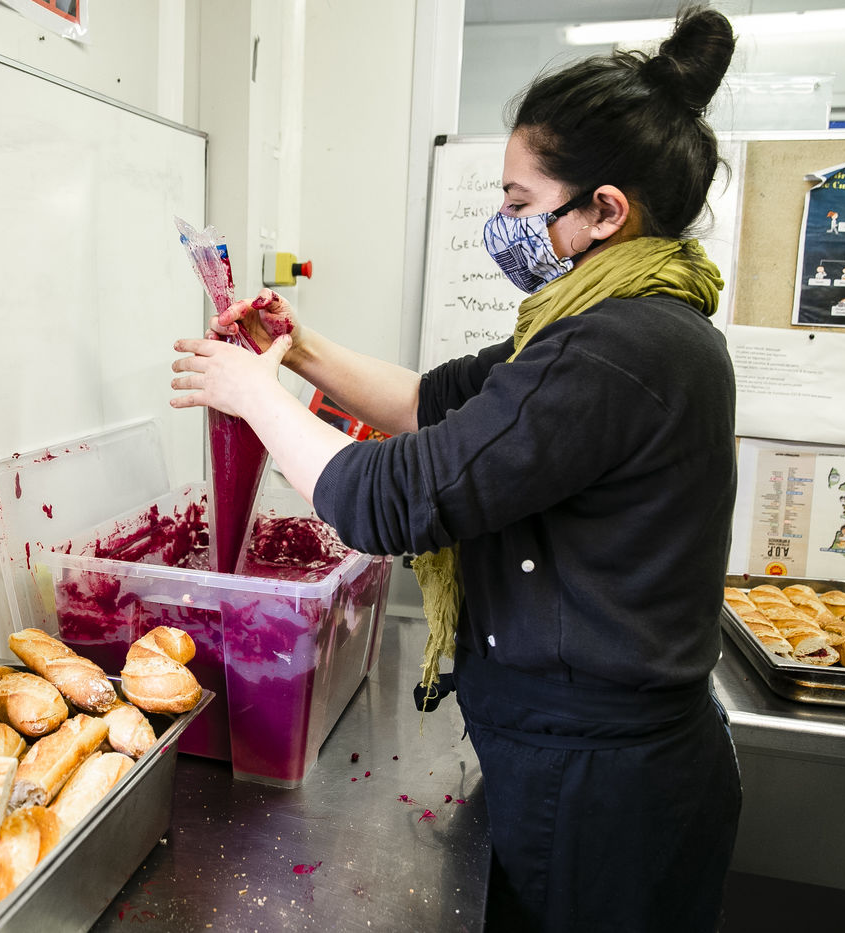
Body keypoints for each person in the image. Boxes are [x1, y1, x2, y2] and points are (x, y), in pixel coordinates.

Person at [170, 5, 741, 931]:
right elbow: (430, 400)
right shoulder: (604, 321)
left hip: (601, 782)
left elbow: (389, 499)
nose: (503, 224)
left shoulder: (617, 348)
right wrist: (298, 348)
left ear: (606, 210)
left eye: (520, 203)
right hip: (577, 750)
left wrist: (254, 396)